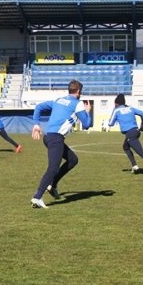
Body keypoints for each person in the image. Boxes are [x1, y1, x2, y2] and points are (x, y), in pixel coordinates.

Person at [29, 80, 92, 208]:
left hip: (49, 137)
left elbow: (39, 107)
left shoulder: (58, 100)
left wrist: (36, 124)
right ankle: (37, 197)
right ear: (78, 91)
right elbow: (86, 124)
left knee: (73, 159)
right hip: (56, 138)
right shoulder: (78, 103)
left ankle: (52, 185)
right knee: (53, 168)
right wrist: (87, 111)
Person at [108, 94, 143, 177]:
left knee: (139, 151)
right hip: (135, 131)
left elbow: (110, 123)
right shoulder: (130, 108)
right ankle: (134, 166)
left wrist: (115, 110)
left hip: (130, 133)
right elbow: (142, 114)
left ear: (116, 103)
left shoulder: (116, 110)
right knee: (126, 147)